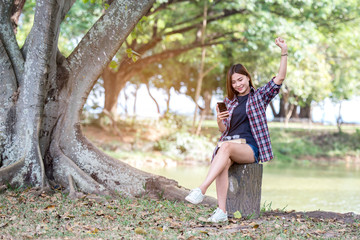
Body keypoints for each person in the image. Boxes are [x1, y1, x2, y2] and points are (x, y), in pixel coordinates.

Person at [185, 37, 288, 222]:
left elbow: (279, 78)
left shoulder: (260, 97)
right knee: (222, 161)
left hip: (249, 148)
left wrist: (283, 51)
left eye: (240, 79)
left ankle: (201, 189)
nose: (238, 84)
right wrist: (219, 119)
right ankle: (222, 211)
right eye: (234, 82)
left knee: (224, 148)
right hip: (230, 144)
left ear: (247, 77)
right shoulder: (229, 102)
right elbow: (223, 130)